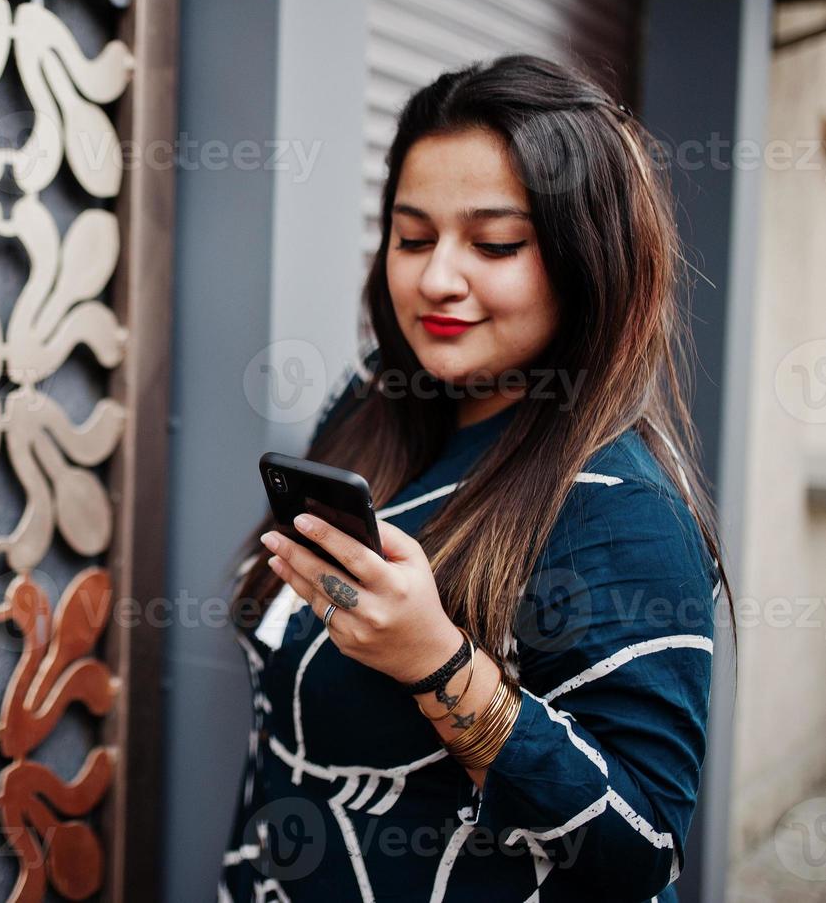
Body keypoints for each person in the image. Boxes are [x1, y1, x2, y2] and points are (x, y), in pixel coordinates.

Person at [219, 54, 735, 902]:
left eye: (493, 243)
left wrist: (433, 659)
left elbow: (639, 848)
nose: (436, 278)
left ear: (586, 257)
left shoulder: (622, 512)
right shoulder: (370, 409)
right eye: (412, 236)